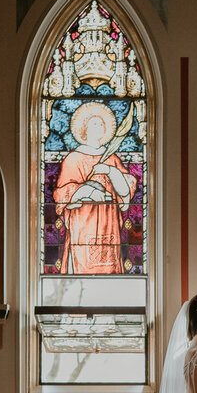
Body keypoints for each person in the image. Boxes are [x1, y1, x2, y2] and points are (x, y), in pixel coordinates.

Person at [53, 102, 136, 274]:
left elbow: (126, 191)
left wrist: (110, 171)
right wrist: (88, 191)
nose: (98, 127)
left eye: (101, 124)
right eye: (93, 123)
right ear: (84, 129)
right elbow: (61, 193)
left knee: (110, 265)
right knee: (83, 264)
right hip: (84, 222)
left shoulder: (111, 158)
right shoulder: (73, 159)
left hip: (109, 222)